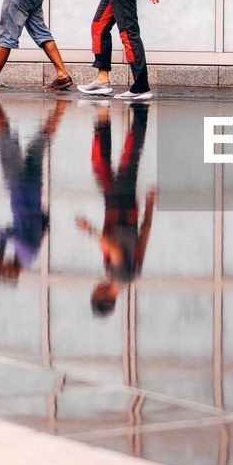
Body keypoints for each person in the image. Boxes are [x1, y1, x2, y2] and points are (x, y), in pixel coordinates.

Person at [76, 106, 157, 314]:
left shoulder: (131, 276)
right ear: (103, 297)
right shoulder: (119, 276)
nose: (95, 287)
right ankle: (138, 113)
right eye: (95, 292)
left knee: (103, 164)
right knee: (128, 160)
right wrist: (90, 231)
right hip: (120, 211)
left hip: (122, 211)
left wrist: (149, 207)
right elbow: (116, 249)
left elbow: (144, 237)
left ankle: (105, 118)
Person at [0, 94, 68, 282]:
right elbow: (11, 235)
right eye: (5, 269)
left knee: (39, 144)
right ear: (13, 273)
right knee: (5, 141)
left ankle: (61, 109)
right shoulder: (26, 254)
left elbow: (43, 222)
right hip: (18, 187)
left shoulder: (28, 255)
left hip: (33, 189)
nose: (3, 265)